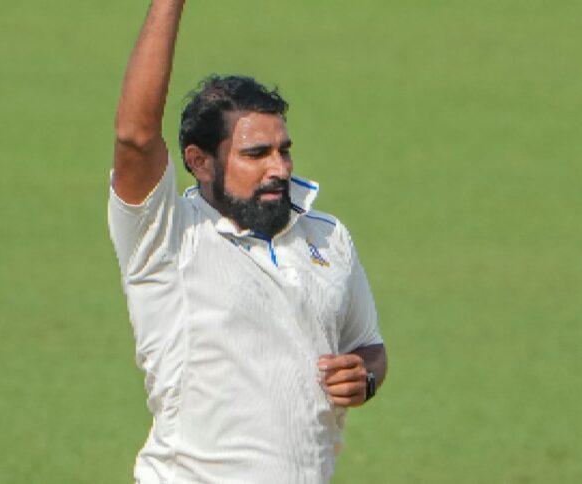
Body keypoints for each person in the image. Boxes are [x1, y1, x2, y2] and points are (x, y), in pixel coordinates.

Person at [107, 1, 387, 482]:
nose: (278, 168)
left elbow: (368, 346)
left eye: (283, 150)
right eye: (256, 154)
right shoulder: (166, 237)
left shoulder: (327, 236)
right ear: (199, 162)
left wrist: (365, 377)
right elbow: (135, 137)